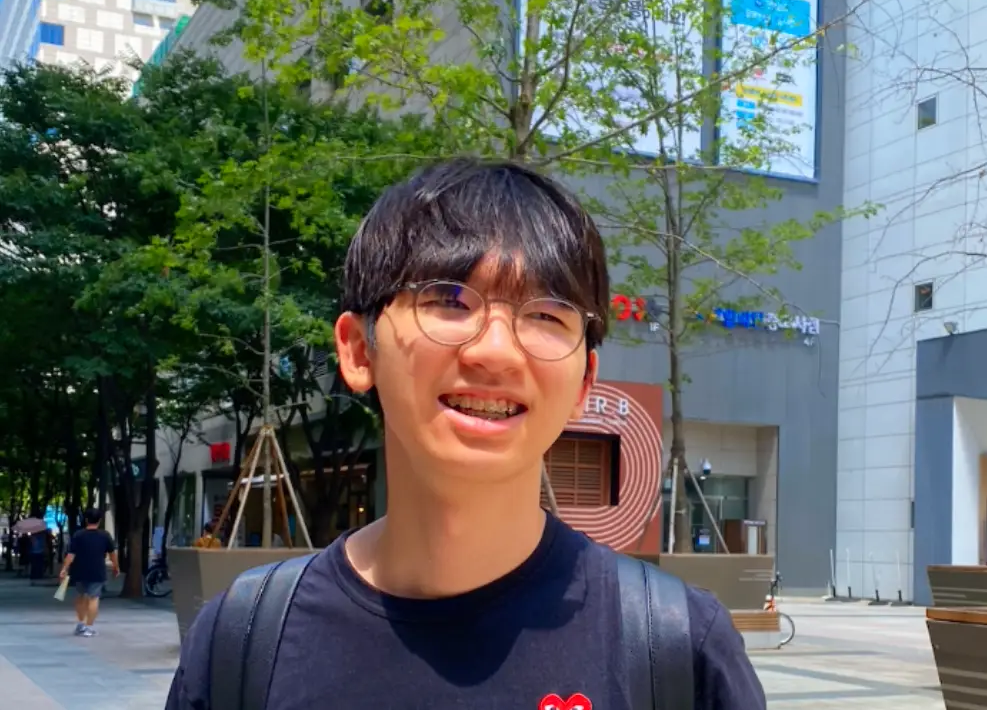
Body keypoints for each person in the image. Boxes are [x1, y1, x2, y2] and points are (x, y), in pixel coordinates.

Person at [167, 159, 766, 708]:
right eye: (449, 301)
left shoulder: (676, 649)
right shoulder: (242, 644)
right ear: (356, 349)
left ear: (585, 379)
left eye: (545, 316)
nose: (496, 352)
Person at [59, 508, 119, 637]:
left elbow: (71, 554)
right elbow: (112, 554)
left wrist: (64, 569)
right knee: (94, 598)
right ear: (100, 521)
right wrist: (116, 567)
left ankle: (81, 624)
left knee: (81, 596)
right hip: (97, 571)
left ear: (86, 520)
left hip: (79, 570)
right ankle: (88, 627)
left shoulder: (78, 535)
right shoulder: (105, 535)